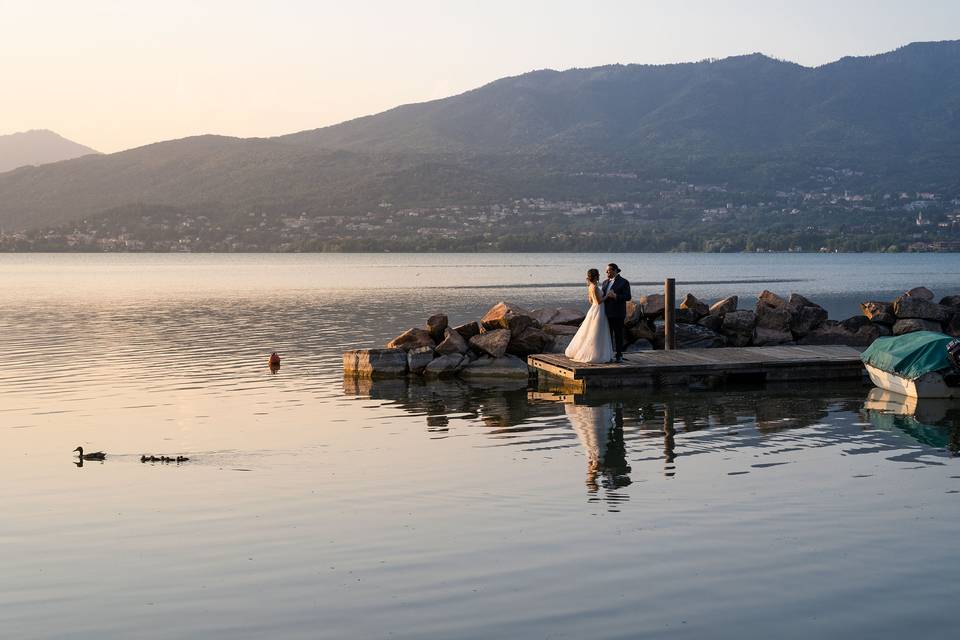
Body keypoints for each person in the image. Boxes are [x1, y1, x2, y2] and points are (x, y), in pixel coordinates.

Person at [565, 268, 614, 363]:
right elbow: (599, 301)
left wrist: (597, 301)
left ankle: (597, 352)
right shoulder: (595, 287)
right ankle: (596, 354)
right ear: (596, 276)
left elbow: (591, 301)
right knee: (597, 331)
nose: (600, 276)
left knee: (592, 331)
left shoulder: (590, 286)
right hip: (599, 310)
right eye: (598, 274)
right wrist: (607, 295)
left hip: (594, 309)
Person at [601, 263, 631, 362]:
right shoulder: (605, 282)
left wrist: (616, 296)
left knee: (618, 335)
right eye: (606, 270)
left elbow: (628, 297)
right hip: (606, 313)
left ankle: (619, 355)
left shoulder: (624, 282)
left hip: (618, 313)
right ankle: (608, 355)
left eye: (608, 270)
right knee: (607, 335)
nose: (606, 272)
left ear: (615, 271)